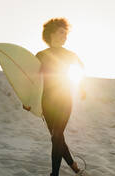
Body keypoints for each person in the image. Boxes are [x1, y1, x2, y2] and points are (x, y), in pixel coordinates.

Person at [32, 18, 85, 176]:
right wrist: (29, 101)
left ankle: (54, 174)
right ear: (51, 33)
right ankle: (73, 165)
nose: (65, 36)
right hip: (46, 101)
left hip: (64, 98)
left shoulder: (70, 54)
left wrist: (81, 88)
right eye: (62, 32)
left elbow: (80, 70)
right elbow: (33, 81)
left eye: (66, 33)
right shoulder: (40, 55)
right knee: (57, 138)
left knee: (56, 135)